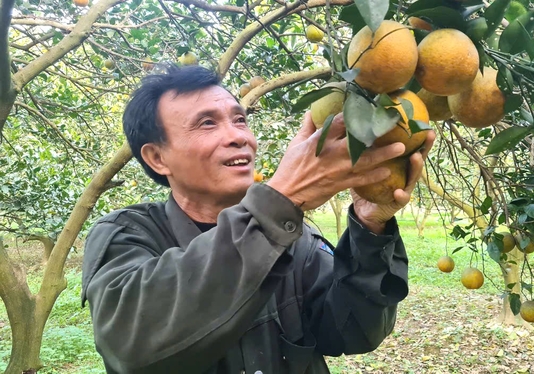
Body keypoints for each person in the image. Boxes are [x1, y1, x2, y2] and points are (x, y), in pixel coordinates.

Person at [80, 65, 435, 374]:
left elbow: (353, 331)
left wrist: (370, 229)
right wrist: (280, 201)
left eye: (239, 120)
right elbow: (134, 347)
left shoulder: (297, 240)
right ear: (158, 158)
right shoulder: (128, 235)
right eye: (207, 123)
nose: (239, 137)